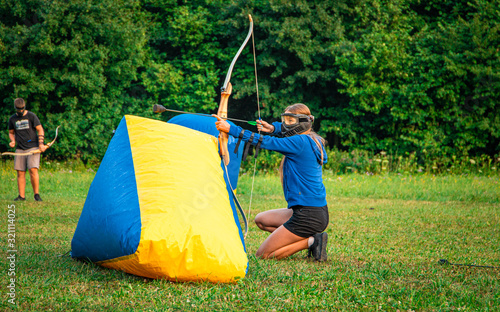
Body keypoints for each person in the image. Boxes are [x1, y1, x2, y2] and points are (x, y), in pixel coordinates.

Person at [214, 103, 329, 261]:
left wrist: (232, 130)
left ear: (302, 122)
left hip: (308, 215)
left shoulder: (300, 142)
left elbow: (265, 142)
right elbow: (282, 130)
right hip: (309, 211)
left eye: (290, 120)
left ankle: (312, 241)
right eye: (285, 120)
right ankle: (306, 237)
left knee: (264, 254)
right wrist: (274, 128)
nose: (285, 124)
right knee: (261, 220)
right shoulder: (311, 139)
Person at [8, 98, 47, 201]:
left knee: (33, 169)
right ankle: (21, 196)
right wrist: (12, 141)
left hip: (33, 147)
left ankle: (36, 195)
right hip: (20, 149)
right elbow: (11, 132)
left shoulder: (31, 116)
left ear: (24, 107)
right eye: (18, 109)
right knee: (20, 172)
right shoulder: (12, 119)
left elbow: (40, 129)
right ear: (15, 108)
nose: (20, 111)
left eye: (22, 109)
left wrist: (41, 144)